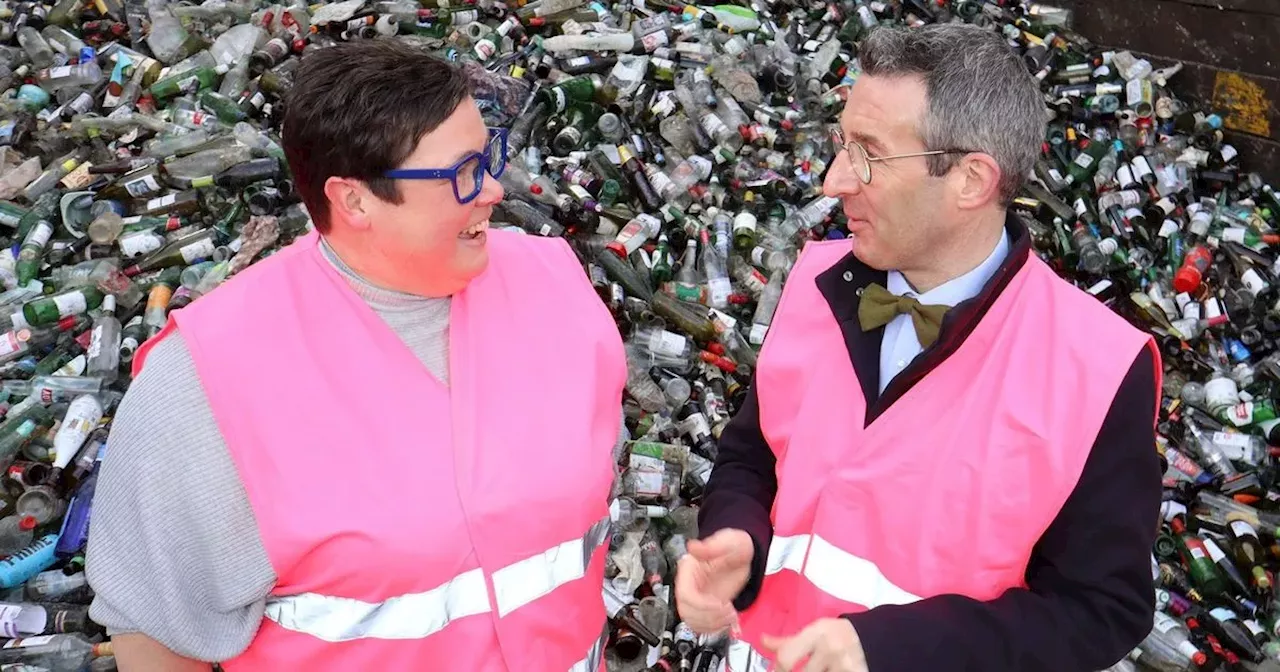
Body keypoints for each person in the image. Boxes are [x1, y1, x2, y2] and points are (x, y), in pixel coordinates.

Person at [85, 40, 626, 671]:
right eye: (463, 174)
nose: (494, 190)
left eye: (490, 157)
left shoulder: (555, 287)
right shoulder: (209, 382)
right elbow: (157, 639)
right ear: (355, 200)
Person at [676, 23, 1162, 672]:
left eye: (869, 153)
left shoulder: (1098, 369)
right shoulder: (816, 283)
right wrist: (739, 537)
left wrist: (893, 649)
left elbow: (1099, 610)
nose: (834, 180)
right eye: (842, 145)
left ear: (971, 181)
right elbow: (751, 455)